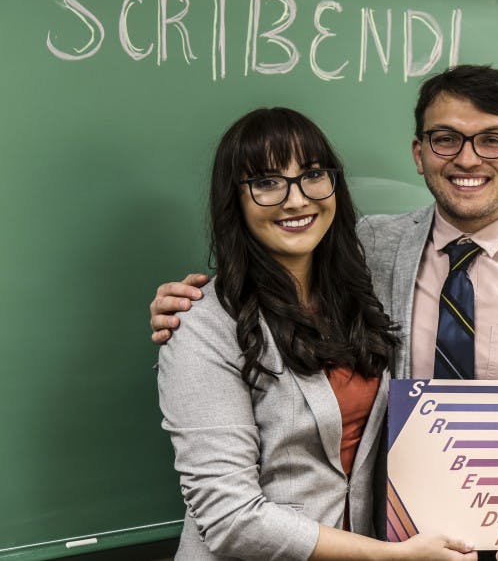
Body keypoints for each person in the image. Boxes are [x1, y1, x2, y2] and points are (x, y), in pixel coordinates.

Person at [151, 67, 498, 561]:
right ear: (419, 152)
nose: (467, 159)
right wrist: (188, 304)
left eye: (493, 139)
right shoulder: (367, 250)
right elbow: (266, 276)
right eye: (445, 138)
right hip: (393, 548)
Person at [156, 106, 476, 561]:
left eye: (312, 175)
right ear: (235, 200)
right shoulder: (204, 325)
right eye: (267, 182)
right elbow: (230, 519)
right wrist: (392, 556)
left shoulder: (359, 297)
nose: (296, 200)